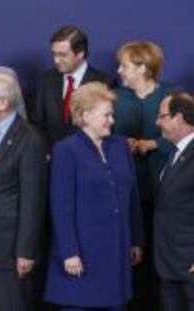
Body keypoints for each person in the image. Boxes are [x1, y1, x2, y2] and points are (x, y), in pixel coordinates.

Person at [45, 82, 144, 310]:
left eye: (112, 114)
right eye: (106, 115)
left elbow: (132, 197)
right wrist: (69, 252)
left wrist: (137, 239)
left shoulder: (120, 145)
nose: (112, 120)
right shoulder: (66, 150)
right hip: (82, 250)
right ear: (84, 115)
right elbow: (61, 205)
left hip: (117, 247)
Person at [0, 73, 47, 311]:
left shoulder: (30, 139)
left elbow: (33, 200)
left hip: (12, 246)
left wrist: (25, 251)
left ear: (3, 103)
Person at [113, 41, 175, 309]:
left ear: (143, 68)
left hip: (165, 189)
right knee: (132, 255)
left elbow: (186, 134)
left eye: (125, 66)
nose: (118, 71)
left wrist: (152, 144)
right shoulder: (115, 96)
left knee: (162, 257)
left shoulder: (172, 95)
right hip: (127, 189)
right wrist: (122, 144)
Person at [31, 25, 111, 147]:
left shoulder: (103, 82)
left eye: (62, 55)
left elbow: (106, 126)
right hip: (52, 158)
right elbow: (36, 123)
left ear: (80, 54)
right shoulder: (45, 80)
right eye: (54, 54)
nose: (56, 60)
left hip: (87, 157)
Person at [154, 92, 194, 311]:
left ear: (178, 118)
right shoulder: (175, 154)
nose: (156, 122)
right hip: (169, 264)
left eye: (162, 116)